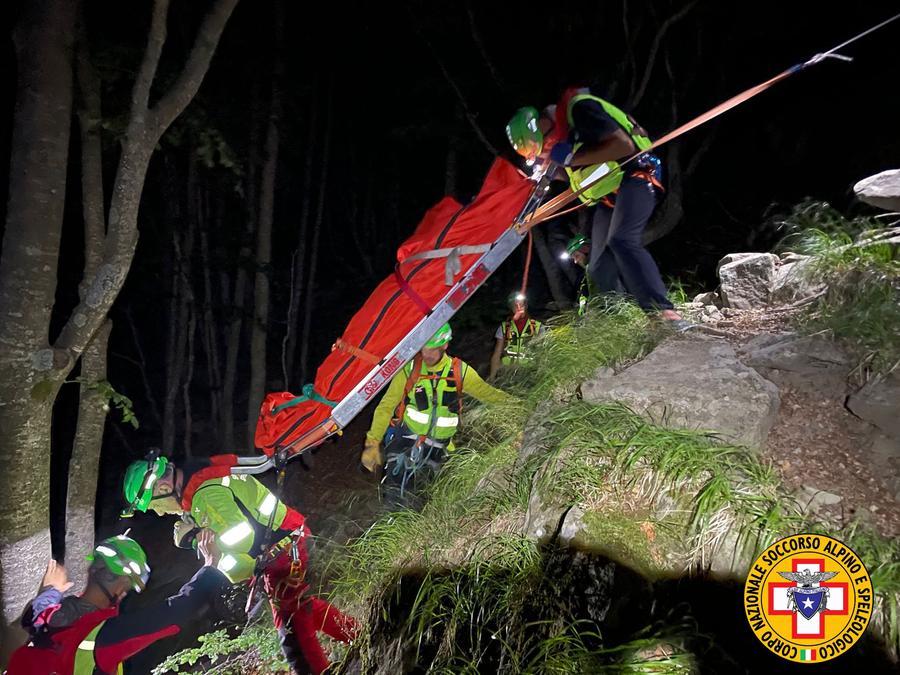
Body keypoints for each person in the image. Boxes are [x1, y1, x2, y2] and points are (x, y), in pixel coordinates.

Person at [121, 452, 357, 675]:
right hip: (284, 543)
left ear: (163, 488)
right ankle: (357, 635)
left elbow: (243, 536)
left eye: (154, 506)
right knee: (300, 608)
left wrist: (198, 540)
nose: (161, 514)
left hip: (282, 549)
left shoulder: (206, 493)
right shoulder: (205, 483)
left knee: (292, 630)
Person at [506, 89, 693, 330]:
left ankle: (665, 315)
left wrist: (570, 158)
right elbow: (582, 171)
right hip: (608, 198)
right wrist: (554, 169)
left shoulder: (579, 110)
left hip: (637, 174)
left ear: (542, 126)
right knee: (598, 266)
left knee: (622, 240)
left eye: (538, 148)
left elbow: (623, 146)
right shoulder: (566, 138)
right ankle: (620, 324)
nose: (542, 153)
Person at [8, 532, 226, 674]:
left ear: (92, 568)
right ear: (122, 585)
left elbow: (36, 612)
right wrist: (211, 565)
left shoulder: (49, 618)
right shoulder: (106, 634)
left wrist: (52, 590)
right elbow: (177, 612)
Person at [360, 323, 512, 505]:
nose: (427, 355)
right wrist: (372, 443)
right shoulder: (409, 369)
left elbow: (489, 394)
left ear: (445, 345)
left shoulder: (459, 371)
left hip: (439, 450)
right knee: (395, 500)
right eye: (424, 349)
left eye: (433, 350)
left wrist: (520, 404)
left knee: (425, 504)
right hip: (405, 444)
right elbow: (386, 407)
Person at [488, 293, 545, 380]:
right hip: (508, 371)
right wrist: (491, 378)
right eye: (515, 306)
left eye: (521, 305)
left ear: (526, 306)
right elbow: (496, 355)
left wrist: (541, 375)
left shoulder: (538, 327)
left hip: (529, 372)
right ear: (511, 308)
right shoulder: (504, 328)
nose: (519, 308)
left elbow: (543, 354)